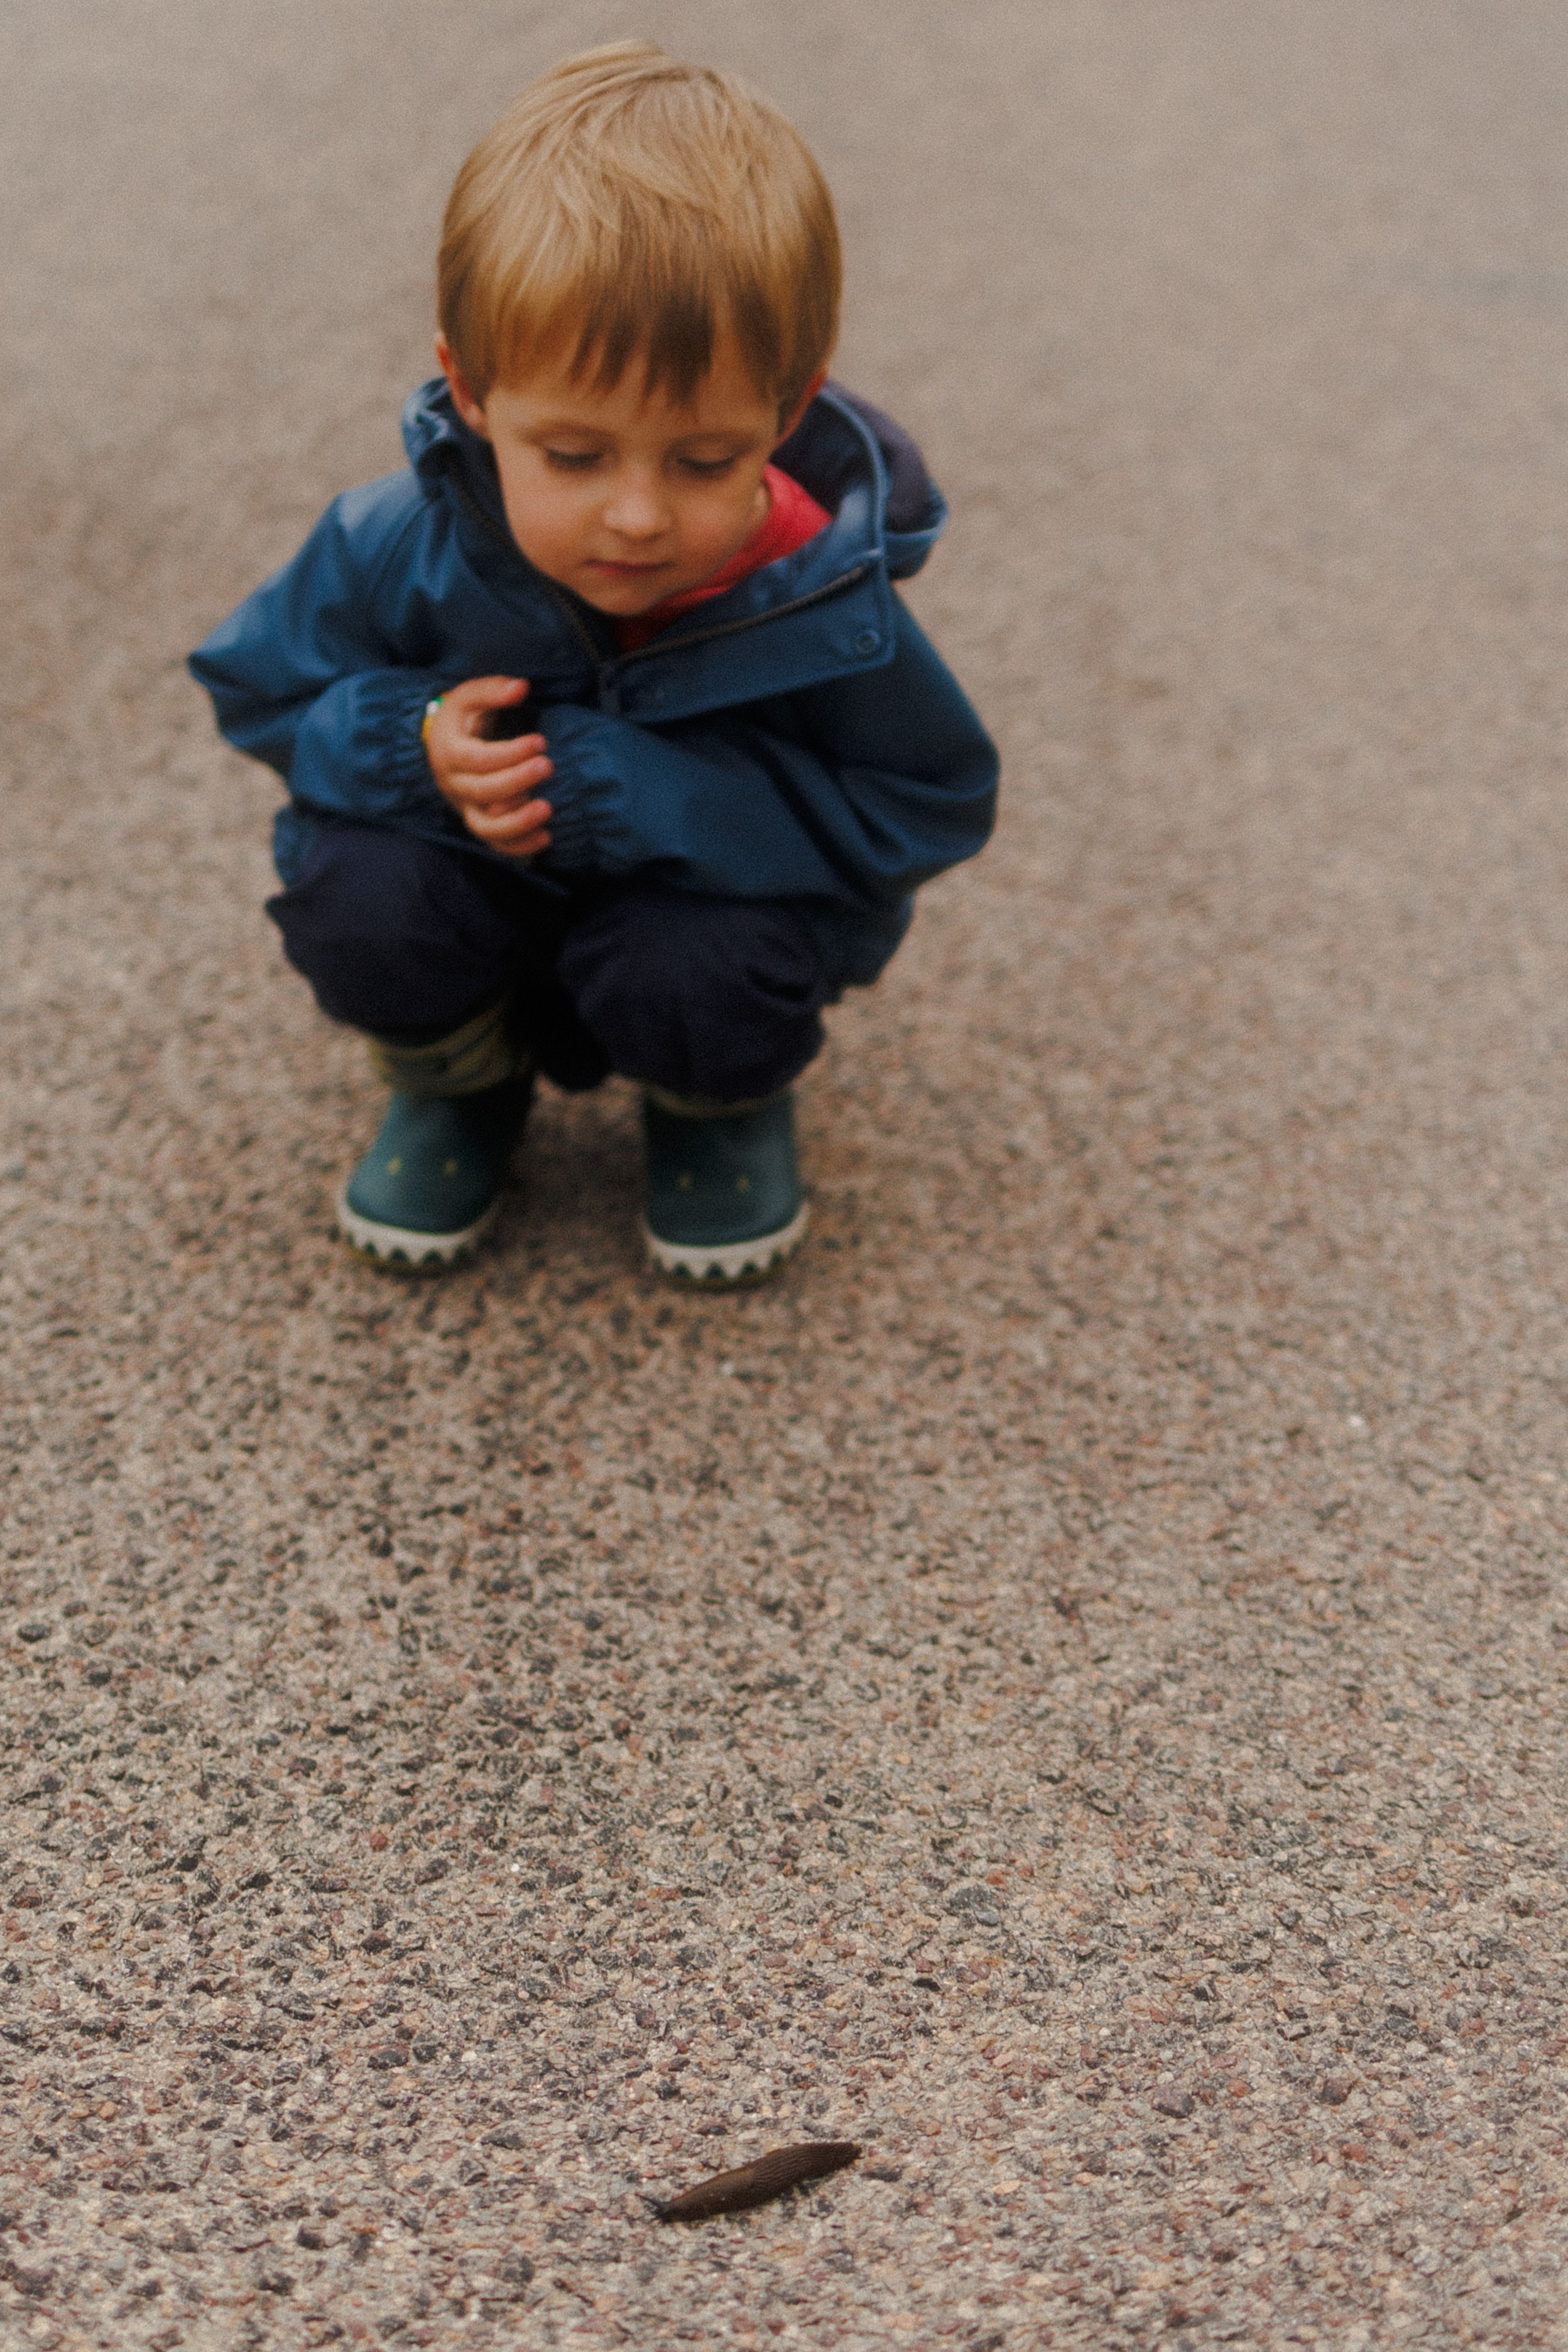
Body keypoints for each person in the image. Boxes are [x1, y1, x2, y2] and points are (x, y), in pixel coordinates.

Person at [190, 40, 998, 1283]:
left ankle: (715, 1104)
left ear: (787, 414)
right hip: (474, 884)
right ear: (471, 390)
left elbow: (929, 802)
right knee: (362, 892)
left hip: (693, 923)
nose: (637, 517)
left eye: (703, 459)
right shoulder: (394, 543)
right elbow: (257, 684)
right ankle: (458, 1079)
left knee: (702, 967)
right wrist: (409, 741)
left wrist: (660, 799)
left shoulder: (821, 597)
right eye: (574, 456)